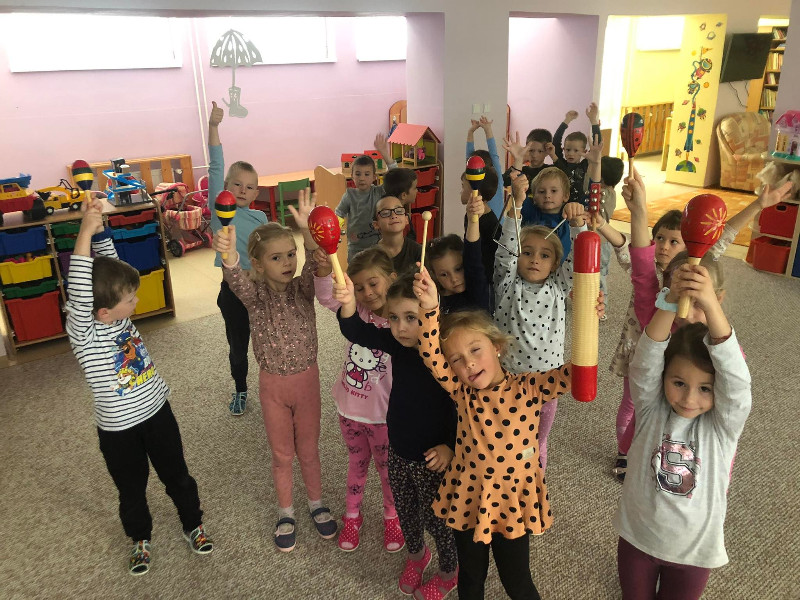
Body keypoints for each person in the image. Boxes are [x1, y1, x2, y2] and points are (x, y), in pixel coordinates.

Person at [412, 267, 601, 600]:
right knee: (471, 577)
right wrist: (429, 308)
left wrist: (590, 321)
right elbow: (430, 355)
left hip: (512, 500)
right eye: (457, 359)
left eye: (475, 350)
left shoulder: (529, 386)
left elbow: (574, 374)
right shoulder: (462, 391)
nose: (468, 364)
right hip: (470, 497)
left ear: (497, 346)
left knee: (518, 582)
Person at [609, 172, 792, 480]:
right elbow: (642, 270)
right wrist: (639, 210)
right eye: (680, 298)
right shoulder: (655, 319)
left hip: (700, 460)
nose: (688, 314)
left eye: (700, 303)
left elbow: (718, 241)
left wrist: (759, 204)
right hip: (648, 446)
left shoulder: (722, 350)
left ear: (716, 299)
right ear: (665, 292)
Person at [66, 198, 213, 576]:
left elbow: (112, 265)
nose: (135, 301)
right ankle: (140, 538)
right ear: (102, 311)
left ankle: (192, 523)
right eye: (129, 299)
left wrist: (100, 227)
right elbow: (80, 290)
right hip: (119, 431)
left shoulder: (117, 317)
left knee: (177, 474)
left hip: (157, 413)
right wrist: (84, 230)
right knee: (131, 489)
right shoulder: (85, 334)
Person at [614, 262, 752, 600]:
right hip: (637, 540)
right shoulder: (650, 407)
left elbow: (736, 380)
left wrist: (712, 308)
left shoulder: (724, 425)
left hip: (694, 553)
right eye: (678, 383)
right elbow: (645, 359)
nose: (689, 398)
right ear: (663, 377)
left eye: (705, 388)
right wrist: (670, 300)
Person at [212, 189, 336, 552]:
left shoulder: (303, 289)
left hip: (307, 382)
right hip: (273, 388)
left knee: (309, 449)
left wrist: (308, 233)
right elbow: (234, 277)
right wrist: (227, 251)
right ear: (258, 263)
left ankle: (316, 502)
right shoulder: (254, 295)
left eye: (290, 254)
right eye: (277, 257)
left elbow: (317, 267)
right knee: (282, 454)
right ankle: (286, 511)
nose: (287, 262)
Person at [333, 273, 459, 599]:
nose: (401, 327)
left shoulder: (446, 355)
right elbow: (356, 330)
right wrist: (348, 302)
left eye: (411, 318)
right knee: (406, 513)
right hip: (398, 450)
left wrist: (450, 447)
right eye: (394, 317)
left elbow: (464, 408)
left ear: (431, 315)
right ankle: (417, 556)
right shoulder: (397, 344)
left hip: (434, 460)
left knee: (439, 521)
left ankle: (449, 572)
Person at [493, 173, 589, 471]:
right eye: (528, 253)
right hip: (508, 378)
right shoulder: (507, 283)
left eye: (545, 255)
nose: (535, 259)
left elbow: (580, 260)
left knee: (537, 442)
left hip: (548, 382)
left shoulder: (559, 285)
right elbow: (506, 251)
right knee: (504, 440)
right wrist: (516, 206)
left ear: (555, 263)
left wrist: (578, 224)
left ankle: (534, 486)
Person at [314, 246, 404, 554]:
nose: (367, 293)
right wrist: (325, 269)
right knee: (357, 463)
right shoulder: (357, 312)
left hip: (384, 417)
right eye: (360, 287)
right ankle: (352, 515)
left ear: (392, 278)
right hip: (350, 410)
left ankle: (392, 516)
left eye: (373, 283)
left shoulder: (402, 323)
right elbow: (327, 297)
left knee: (388, 472)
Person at [207, 100, 268, 416]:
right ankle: (241, 389)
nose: (242, 190)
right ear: (225, 188)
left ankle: (273, 386)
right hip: (233, 295)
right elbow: (216, 167)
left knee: (269, 342)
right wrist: (213, 126)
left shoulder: (261, 218)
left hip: (261, 292)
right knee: (238, 347)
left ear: (256, 193)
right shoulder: (220, 211)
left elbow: (270, 255)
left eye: (249, 187)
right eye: (237, 184)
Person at [427, 194, 492, 315]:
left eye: (458, 269)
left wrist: (472, 221)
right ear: (435, 276)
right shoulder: (435, 301)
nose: (454, 279)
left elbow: (473, 256)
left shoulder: (476, 292)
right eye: (444, 274)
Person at [336, 134, 397, 261]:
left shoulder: (379, 192)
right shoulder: (349, 195)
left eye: (367, 174)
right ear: (352, 176)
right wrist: (335, 229)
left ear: (374, 177)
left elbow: (395, 176)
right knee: (355, 271)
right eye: (358, 174)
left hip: (378, 246)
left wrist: (384, 153)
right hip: (355, 248)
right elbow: (339, 214)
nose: (362, 178)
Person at [550, 103, 602, 206]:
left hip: (580, 207)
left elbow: (597, 144)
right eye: (568, 150)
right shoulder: (560, 162)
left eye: (576, 150)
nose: (571, 154)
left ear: (585, 152)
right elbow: (556, 141)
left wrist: (593, 120)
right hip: (561, 206)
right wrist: (567, 120)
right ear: (563, 149)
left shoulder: (585, 165)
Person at [460, 166, 501, 284]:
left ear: (475, 193)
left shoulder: (489, 224)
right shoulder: (470, 215)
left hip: (484, 280)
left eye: (463, 186)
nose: (461, 191)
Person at [466, 116, 505, 217]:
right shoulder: (473, 182)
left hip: (496, 225)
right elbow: (469, 158)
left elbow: (494, 154)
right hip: (478, 223)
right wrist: (470, 132)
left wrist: (488, 130)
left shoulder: (496, 181)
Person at [374, 195, 422, 274]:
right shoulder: (371, 256)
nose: (393, 215)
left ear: (406, 219)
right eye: (385, 213)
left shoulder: (418, 252)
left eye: (399, 211)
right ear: (376, 224)